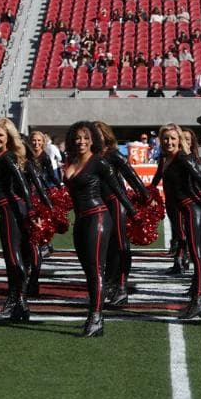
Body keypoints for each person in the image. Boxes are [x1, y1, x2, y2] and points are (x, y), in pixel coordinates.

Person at [63, 120, 134, 336]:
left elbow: (119, 191)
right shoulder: (71, 162)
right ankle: (94, 314)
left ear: (93, 139)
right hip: (81, 220)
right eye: (78, 137)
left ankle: (96, 318)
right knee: (88, 271)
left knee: (96, 270)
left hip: (98, 218)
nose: (81, 141)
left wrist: (134, 212)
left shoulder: (99, 162)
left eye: (86, 137)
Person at [157, 123, 201, 320]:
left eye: (172, 138)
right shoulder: (167, 158)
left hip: (192, 208)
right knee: (196, 254)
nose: (169, 142)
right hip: (183, 208)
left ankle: (199, 301)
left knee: (197, 255)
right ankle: (197, 297)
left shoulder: (183, 158)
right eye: (166, 138)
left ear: (179, 139)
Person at [95, 122, 148, 307]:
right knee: (107, 247)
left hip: (117, 203)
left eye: (99, 134)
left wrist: (146, 196)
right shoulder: (91, 156)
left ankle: (122, 287)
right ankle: (110, 283)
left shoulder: (113, 154)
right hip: (100, 205)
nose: (96, 137)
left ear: (106, 135)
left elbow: (131, 175)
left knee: (120, 245)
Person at [0, 118, 33, 321]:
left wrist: (31, 212)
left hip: (11, 209)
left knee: (14, 257)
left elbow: (22, 184)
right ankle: (14, 299)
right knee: (11, 257)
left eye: (1, 135)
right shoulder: (0, 156)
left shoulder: (8, 157)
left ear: (9, 136)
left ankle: (20, 301)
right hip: (9, 209)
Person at [23, 131, 54, 297]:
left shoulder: (42, 159)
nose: (35, 143)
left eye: (38, 141)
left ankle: (33, 280)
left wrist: (55, 193)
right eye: (33, 141)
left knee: (33, 241)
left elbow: (49, 178)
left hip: (36, 200)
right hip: (21, 204)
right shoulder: (17, 160)